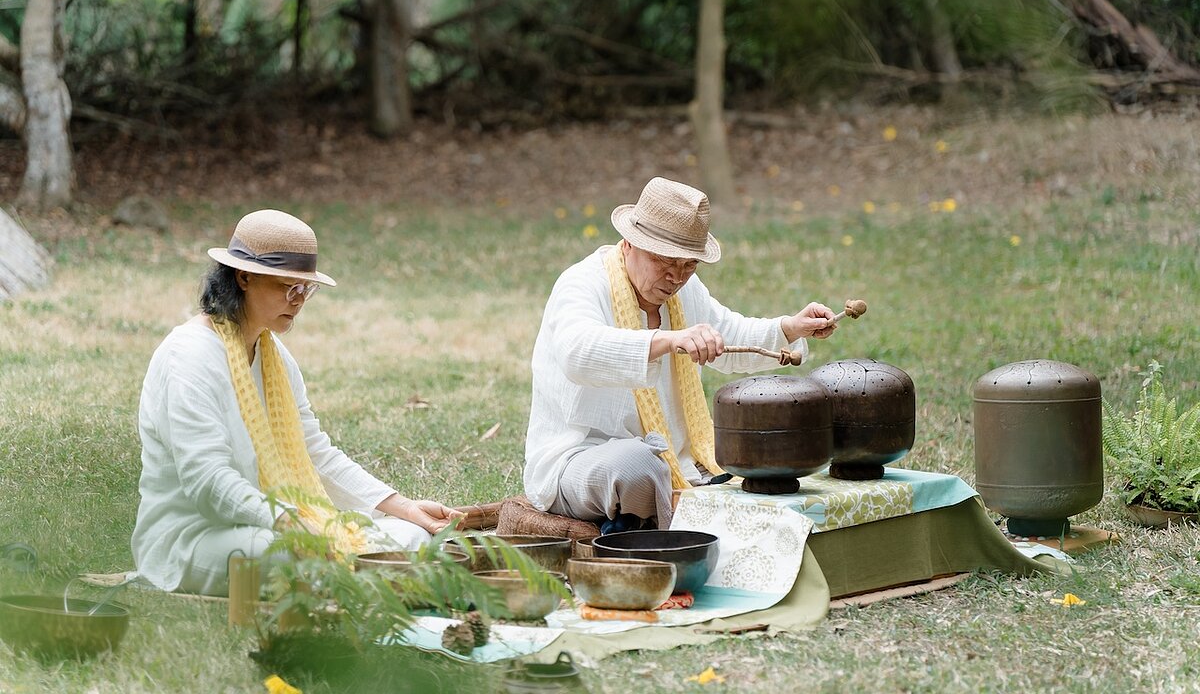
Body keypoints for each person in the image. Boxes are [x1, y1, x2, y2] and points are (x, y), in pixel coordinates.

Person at [132, 209, 461, 596]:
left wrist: (402, 506)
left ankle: (361, 587)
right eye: (288, 287)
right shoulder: (189, 355)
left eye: (306, 289)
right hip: (194, 539)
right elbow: (207, 481)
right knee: (295, 557)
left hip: (277, 524)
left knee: (410, 537)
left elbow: (315, 453)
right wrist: (289, 522)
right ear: (244, 277)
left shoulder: (274, 355)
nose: (299, 300)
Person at [523, 177, 838, 533]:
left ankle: (660, 508)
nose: (676, 277)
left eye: (689, 265)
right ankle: (665, 520)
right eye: (664, 261)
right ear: (629, 243)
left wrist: (791, 327)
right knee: (637, 465)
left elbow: (728, 336)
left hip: (678, 462)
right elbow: (577, 353)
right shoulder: (581, 283)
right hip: (580, 460)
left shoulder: (685, 293)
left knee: (747, 445)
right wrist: (668, 340)